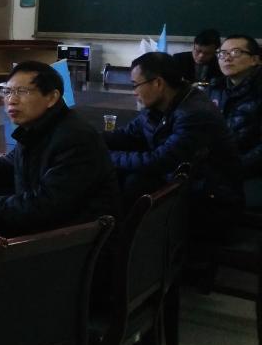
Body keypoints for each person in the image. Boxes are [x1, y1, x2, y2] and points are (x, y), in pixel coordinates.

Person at [0, 61, 120, 235]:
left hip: (67, 241)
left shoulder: (74, 138)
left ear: (51, 97)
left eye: (22, 92)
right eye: (7, 92)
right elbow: (13, 162)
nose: (11, 100)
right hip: (44, 229)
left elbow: (46, 206)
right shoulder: (39, 126)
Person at [103, 52, 242, 242]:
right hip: (182, 185)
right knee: (119, 177)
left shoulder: (195, 113)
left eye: (135, 85)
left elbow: (160, 161)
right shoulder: (159, 106)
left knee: (133, 182)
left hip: (211, 200)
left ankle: (125, 245)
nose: (134, 92)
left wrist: (107, 156)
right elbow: (127, 135)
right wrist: (89, 141)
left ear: (158, 83)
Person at [208, 35, 262, 211]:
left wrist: (232, 168)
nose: (227, 58)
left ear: (255, 60)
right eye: (222, 53)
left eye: (236, 52)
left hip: (251, 170)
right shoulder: (215, 89)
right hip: (218, 166)